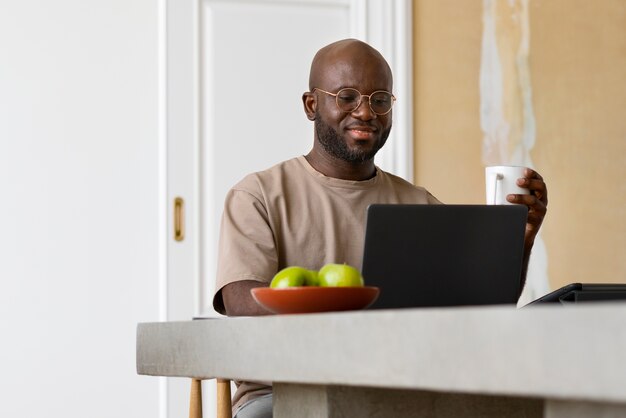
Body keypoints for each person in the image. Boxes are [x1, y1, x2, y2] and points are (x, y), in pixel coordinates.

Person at [212, 39, 548, 418]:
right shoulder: (257, 195)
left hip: (395, 390)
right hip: (282, 393)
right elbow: (243, 303)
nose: (366, 111)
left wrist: (519, 242)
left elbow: (483, 309)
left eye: (380, 100)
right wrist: (359, 321)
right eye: (347, 96)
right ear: (311, 105)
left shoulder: (419, 204)